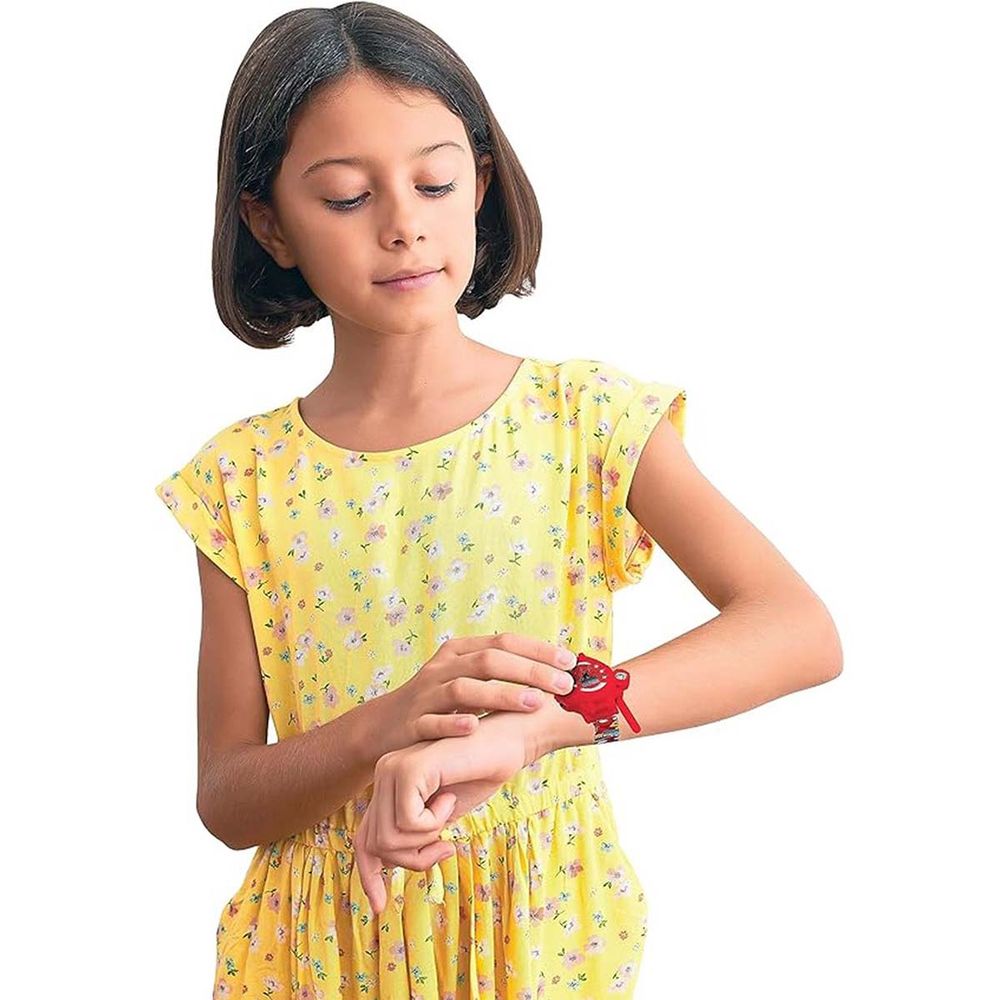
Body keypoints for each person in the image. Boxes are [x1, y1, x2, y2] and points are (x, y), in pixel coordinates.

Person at [153, 4, 843, 998]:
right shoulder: (241, 479)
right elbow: (226, 799)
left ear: (480, 184)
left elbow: (797, 629)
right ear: (270, 224)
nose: (403, 222)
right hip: (312, 960)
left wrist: (540, 726)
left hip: (536, 940)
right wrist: (384, 725)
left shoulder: (585, 419)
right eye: (347, 196)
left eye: (434, 182)